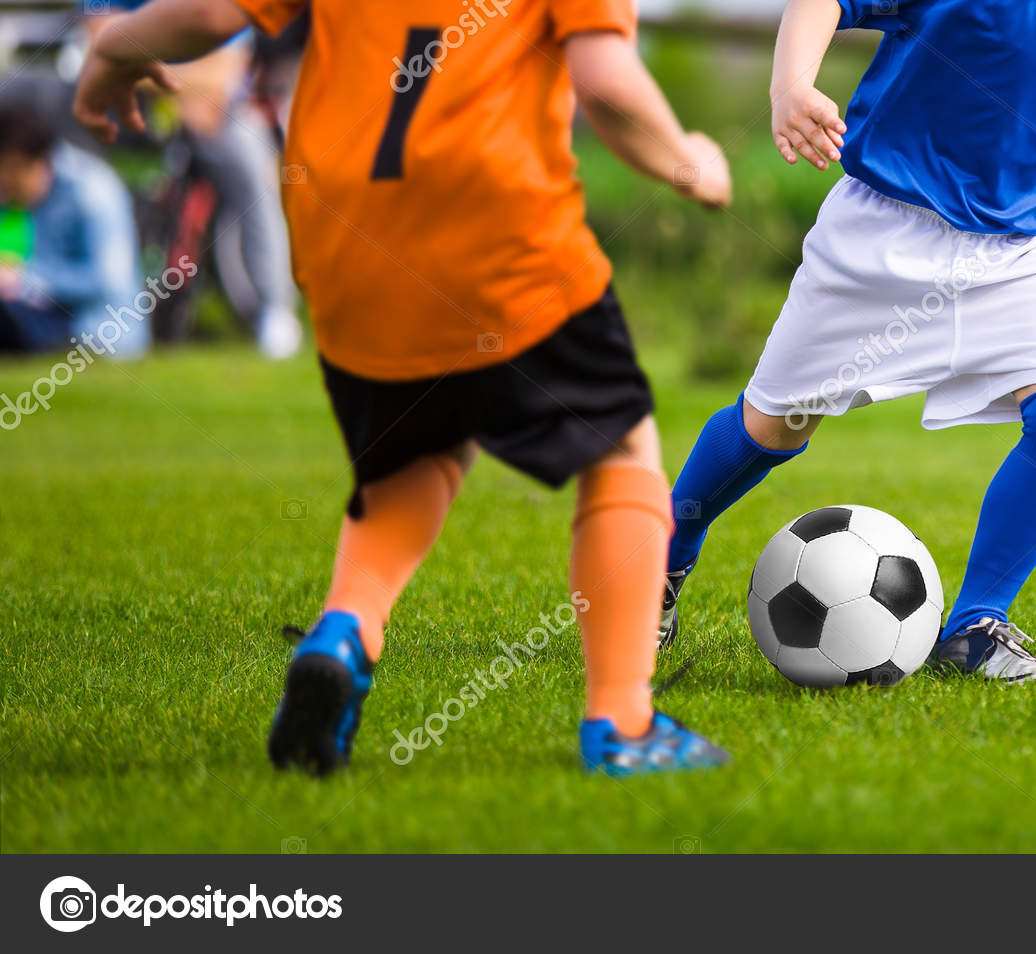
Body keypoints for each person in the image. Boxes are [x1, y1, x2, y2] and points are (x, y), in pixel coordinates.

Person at [73, 0, 734, 774]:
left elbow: (218, 10)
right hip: (497, 238)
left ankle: (344, 632)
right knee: (620, 447)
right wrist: (691, 161)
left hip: (344, 235)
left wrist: (116, 43)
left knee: (413, 453)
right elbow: (607, 83)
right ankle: (624, 724)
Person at [660, 0, 1036, 684]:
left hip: (1020, 253)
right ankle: (663, 558)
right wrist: (790, 87)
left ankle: (975, 628)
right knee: (773, 424)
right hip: (878, 232)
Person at [84, 0, 303, 359]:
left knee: (252, 164)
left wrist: (136, 65)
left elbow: (226, 73)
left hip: (213, 114)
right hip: (126, 113)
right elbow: (99, 41)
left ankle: (272, 308)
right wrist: (185, 86)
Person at [0, 102, 141, 356]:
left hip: (94, 335)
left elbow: (108, 282)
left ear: (39, 161)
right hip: (37, 324)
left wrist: (23, 279)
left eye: (10, 171)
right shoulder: (19, 198)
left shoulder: (93, 189)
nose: (4, 183)